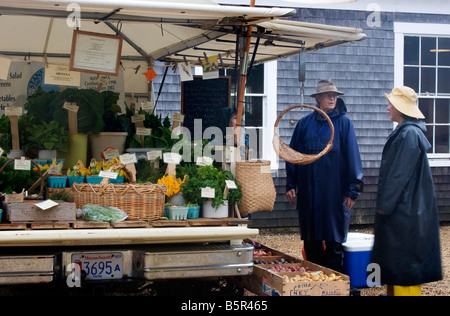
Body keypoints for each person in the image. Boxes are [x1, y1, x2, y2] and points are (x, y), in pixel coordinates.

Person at [286, 79, 364, 272]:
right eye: (328, 95)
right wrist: (290, 184)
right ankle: (314, 282)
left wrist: (353, 191)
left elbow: (353, 158)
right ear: (318, 98)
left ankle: (334, 285)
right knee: (311, 240)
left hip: (334, 193)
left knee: (334, 242)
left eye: (334, 95)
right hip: (308, 193)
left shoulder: (345, 124)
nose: (332, 98)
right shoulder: (304, 124)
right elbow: (292, 156)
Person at [371, 86, 442, 296]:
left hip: (406, 211)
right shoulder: (406, 131)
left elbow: (399, 174)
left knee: (404, 265)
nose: (387, 108)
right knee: (396, 263)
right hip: (404, 209)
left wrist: (384, 205)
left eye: (391, 104)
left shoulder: (409, 133)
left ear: (400, 108)